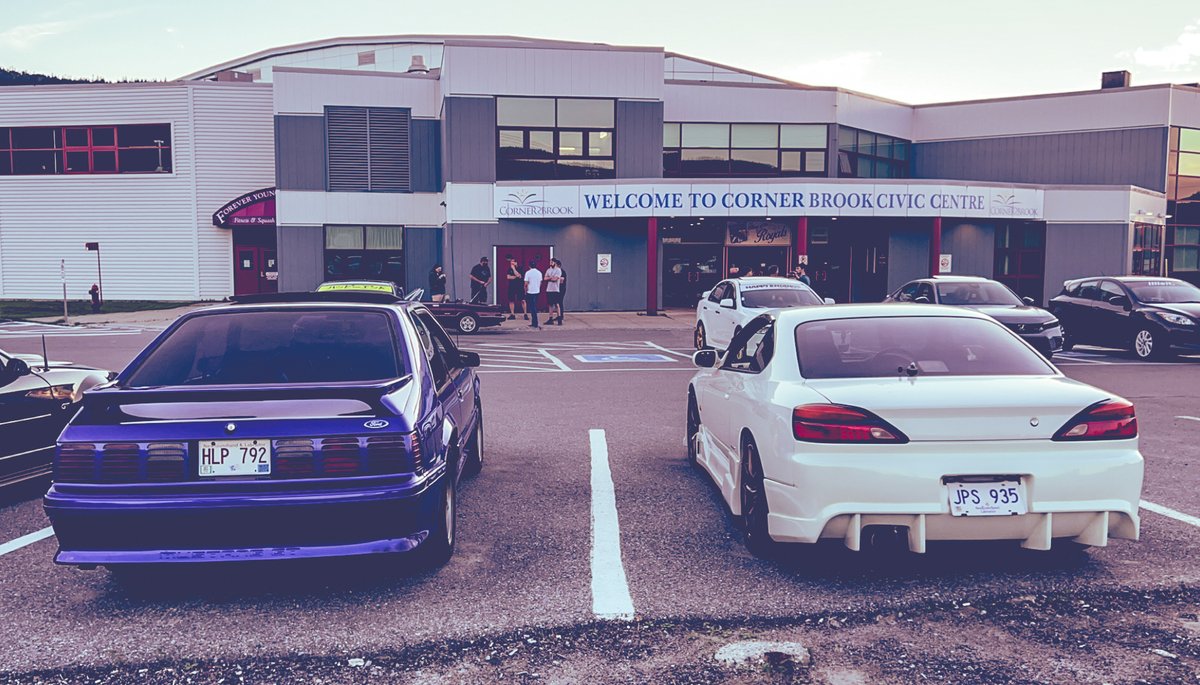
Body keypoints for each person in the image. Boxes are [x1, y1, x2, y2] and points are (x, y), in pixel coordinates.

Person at [524, 258, 543, 329]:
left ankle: (535, 322)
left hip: (530, 292)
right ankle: (534, 322)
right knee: (534, 306)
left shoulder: (528, 273)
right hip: (536, 291)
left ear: (529, 266)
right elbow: (540, 283)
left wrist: (525, 291)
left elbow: (526, 284)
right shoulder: (539, 273)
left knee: (532, 308)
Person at [505, 254, 526, 320]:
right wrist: (514, 277)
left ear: (515, 262)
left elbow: (519, 276)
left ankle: (525, 314)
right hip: (512, 286)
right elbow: (508, 277)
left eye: (513, 261)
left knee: (522, 300)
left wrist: (514, 269)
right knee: (511, 300)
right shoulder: (509, 269)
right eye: (511, 262)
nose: (511, 263)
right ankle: (512, 314)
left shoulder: (520, 268)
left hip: (519, 286)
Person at [544, 258, 564, 325]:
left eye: (552, 262)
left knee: (557, 304)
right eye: (550, 262)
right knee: (550, 304)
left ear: (555, 263)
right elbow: (545, 278)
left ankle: (559, 318)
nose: (550, 263)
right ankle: (550, 318)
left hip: (555, 289)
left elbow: (555, 279)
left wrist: (549, 278)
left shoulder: (558, 270)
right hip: (549, 289)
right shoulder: (548, 270)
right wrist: (550, 278)